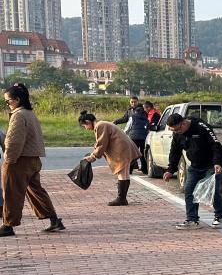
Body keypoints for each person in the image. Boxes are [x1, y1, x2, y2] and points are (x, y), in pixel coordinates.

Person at [1, 83, 64, 237]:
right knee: (36, 192)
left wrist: (8, 160)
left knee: (12, 193)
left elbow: (14, 141)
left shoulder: (19, 115)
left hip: (19, 161)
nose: (7, 104)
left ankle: (8, 225)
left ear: (17, 100)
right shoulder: (30, 113)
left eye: (8, 101)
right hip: (33, 160)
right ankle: (54, 220)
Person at [161, 113, 222, 229]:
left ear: (184, 123)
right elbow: (175, 151)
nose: (176, 132)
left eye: (177, 129)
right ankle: (192, 220)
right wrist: (170, 170)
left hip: (212, 165)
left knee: (211, 190)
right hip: (195, 166)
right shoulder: (177, 134)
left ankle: (220, 215)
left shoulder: (201, 127)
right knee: (189, 190)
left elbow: (216, 145)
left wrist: (217, 162)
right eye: (173, 131)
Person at [79, 112, 141, 206]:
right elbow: (100, 143)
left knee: (122, 174)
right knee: (124, 174)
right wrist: (94, 153)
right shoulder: (102, 124)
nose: (86, 128)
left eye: (84, 126)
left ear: (88, 122)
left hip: (122, 150)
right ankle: (122, 198)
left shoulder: (100, 126)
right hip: (123, 149)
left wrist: (93, 156)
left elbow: (102, 143)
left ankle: (121, 199)